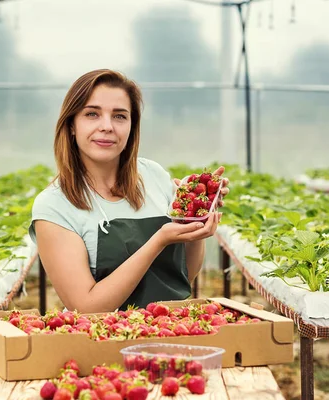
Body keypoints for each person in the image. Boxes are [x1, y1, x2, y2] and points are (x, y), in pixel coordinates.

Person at [28, 69, 229, 313]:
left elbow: (183, 276)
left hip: (173, 330)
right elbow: (86, 307)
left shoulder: (154, 176)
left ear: (132, 126)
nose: (107, 126)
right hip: (103, 341)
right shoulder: (54, 205)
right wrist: (158, 241)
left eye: (120, 116)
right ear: (71, 125)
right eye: (92, 114)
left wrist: (195, 221)